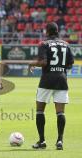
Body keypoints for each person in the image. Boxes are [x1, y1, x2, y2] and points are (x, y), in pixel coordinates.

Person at [29, 22, 74, 150]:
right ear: (57, 31)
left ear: (47, 31)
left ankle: (42, 141)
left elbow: (43, 62)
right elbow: (70, 64)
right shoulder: (66, 44)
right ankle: (60, 140)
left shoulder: (43, 44)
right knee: (60, 112)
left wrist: (31, 64)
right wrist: (60, 68)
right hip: (61, 79)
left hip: (47, 80)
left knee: (39, 110)